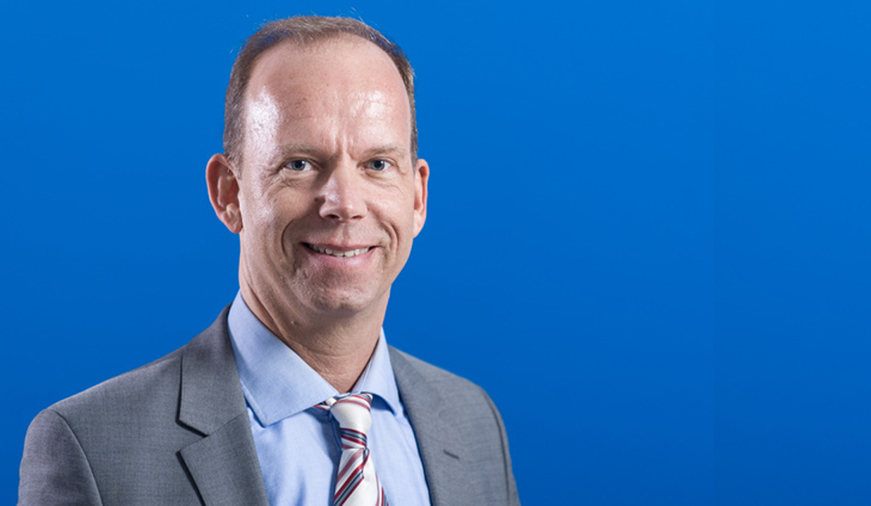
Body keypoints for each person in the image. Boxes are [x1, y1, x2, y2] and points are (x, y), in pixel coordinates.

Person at [18, 16, 519, 506]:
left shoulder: (474, 423)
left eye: (377, 164)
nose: (345, 203)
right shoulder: (90, 449)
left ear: (417, 198)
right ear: (228, 193)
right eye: (299, 164)